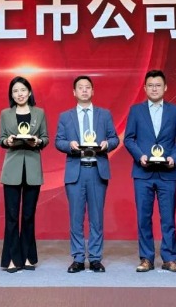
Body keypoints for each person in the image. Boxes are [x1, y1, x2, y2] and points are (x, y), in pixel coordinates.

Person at [123, 70, 176, 273]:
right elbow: (129, 139)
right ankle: (146, 258)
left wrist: (174, 157)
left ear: (165, 87)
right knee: (144, 218)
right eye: (150, 85)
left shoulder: (175, 111)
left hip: (167, 173)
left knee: (168, 218)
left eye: (158, 85)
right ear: (144, 88)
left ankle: (169, 258)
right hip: (142, 172)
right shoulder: (136, 110)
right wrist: (139, 156)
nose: (154, 89)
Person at [55, 75, 119, 273]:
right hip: (76, 170)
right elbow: (58, 141)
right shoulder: (65, 116)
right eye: (80, 87)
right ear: (74, 92)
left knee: (96, 218)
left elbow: (114, 138)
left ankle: (95, 258)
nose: (84, 90)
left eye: (87, 87)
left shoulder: (104, 114)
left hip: (97, 170)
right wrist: (70, 145)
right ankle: (78, 258)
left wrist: (107, 144)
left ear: (93, 91)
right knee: (76, 218)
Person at [0, 76, 49, 272]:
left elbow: (45, 138)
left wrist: (38, 141)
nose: (19, 94)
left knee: (28, 216)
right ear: (11, 95)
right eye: (15, 91)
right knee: (11, 216)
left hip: (33, 168)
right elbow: (1, 139)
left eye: (22, 90)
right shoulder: (5, 114)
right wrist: (8, 141)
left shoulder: (39, 112)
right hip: (12, 168)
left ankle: (28, 256)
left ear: (29, 92)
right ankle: (12, 258)